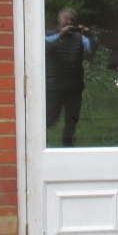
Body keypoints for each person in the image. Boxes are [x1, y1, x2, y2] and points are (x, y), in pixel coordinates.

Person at [45, 8, 92, 147]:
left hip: (74, 86)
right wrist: (60, 35)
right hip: (54, 85)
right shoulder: (49, 35)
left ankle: (68, 146)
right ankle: (40, 144)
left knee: (72, 120)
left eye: (72, 20)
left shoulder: (80, 37)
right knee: (50, 118)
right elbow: (46, 47)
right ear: (59, 19)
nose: (69, 22)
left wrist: (88, 35)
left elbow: (91, 49)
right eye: (66, 18)